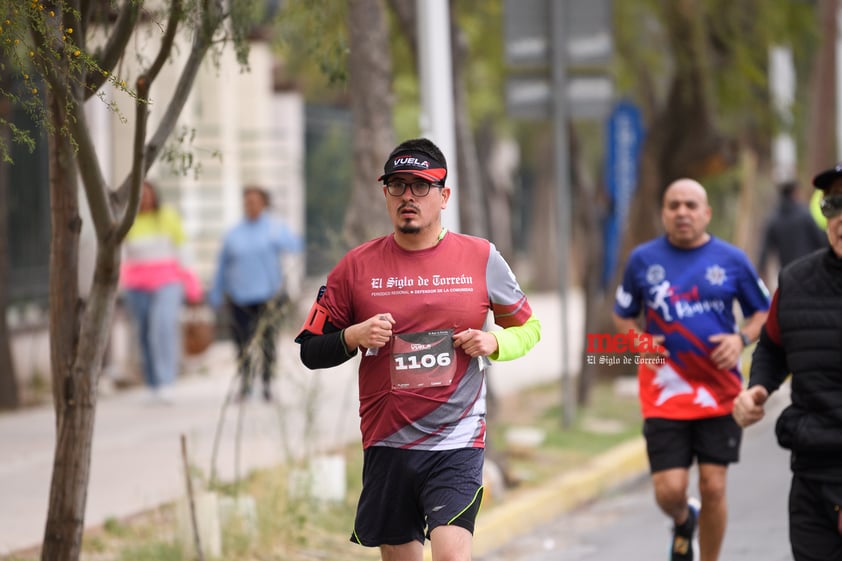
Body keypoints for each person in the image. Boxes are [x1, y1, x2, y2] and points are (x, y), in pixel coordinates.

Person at [294, 137, 541, 561]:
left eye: (421, 186)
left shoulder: (481, 257)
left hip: (457, 441)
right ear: (385, 193)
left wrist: (494, 341)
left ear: (445, 195)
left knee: (449, 555)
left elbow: (530, 328)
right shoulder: (356, 267)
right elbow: (310, 350)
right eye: (398, 185)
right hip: (388, 443)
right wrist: (354, 336)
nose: (408, 196)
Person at [612, 178, 770, 561]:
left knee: (714, 485)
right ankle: (685, 519)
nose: (682, 212)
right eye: (674, 205)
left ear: (706, 213)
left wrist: (741, 339)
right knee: (669, 490)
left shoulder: (732, 259)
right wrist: (638, 342)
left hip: (720, 393)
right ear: (664, 212)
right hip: (664, 392)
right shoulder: (643, 260)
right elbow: (622, 315)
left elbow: (763, 312)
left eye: (691, 205)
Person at [733, 163, 842, 561]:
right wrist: (758, 387)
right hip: (812, 474)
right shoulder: (795, 282)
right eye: (834, 204)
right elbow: (774, 346)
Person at [208, 185, 302, 401]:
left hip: (268, 296)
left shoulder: (274, 228)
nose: (250, 205)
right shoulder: (233, 234)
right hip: (240, 297)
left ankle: (268, 384)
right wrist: (216, 292)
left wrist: (282, 233)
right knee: (242, 343)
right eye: (247, 201)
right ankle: (245, 384)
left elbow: (295, 246)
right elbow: (223, 264)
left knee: (268, 343)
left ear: (263, 203)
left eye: (255, 201)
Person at [121, 180, 200, 402]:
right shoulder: (128, 220)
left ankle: (167, 380)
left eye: (148, 194)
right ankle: (152, 382)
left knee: (162, 329)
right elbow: (122, 255)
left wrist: (192, 285)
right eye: (141, 195)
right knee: (144, 333)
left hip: (167, 282)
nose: (145, 199)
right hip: (137, 286)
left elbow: (183, 250)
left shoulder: (168, 216)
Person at [756, 180, 825, 283]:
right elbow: (821, 240)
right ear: (795, 193)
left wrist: (761, 271)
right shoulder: (805, 214)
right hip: (810, 272)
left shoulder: (774, 219)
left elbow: (764, 251)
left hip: (788, 275)